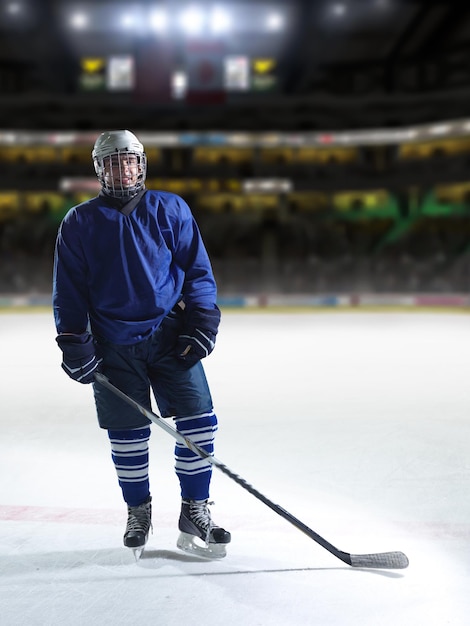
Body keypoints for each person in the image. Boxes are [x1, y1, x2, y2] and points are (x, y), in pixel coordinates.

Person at [52, 129, 230, 559]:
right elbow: (69, 291)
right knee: (127, 434)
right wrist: (75, 342)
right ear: (100, 169)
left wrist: (202, 318)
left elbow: (197, 271)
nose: (122, 168)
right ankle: (139, 510)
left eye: (129, 160)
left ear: (141, 163)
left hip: (171, 336)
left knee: (199, 421)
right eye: (113, 162)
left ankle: (195, 509)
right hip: (112, 343)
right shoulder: (79, 222)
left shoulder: (171, 208)